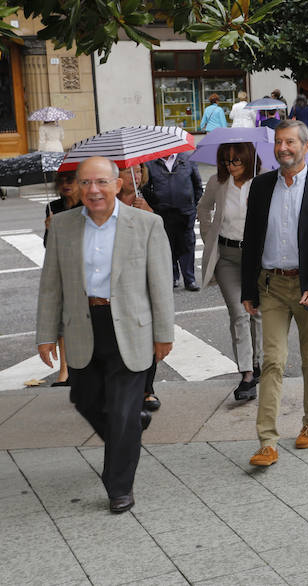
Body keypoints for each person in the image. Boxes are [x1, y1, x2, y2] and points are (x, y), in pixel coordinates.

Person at [36, 156, 174, 514]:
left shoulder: (146, 224)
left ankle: (119, 486)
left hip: (130, 327)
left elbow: (160, 284)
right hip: (83, 325)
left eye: (101, 182)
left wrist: (164, 333)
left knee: (123, 411)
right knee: (85, 399)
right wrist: (46, 334)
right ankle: (129, 430)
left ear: (117, 184)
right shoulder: (62, 225)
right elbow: (51, 285)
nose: (93, 190)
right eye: (85, 183)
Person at [240, 120, 308, 467]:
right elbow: (251, 240)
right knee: (273, 361)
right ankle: (267, 441)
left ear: (305, 146)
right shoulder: (261, 186)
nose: (283, 148)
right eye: (279, 142)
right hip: (271, 286)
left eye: (290, 142)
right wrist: (248, 288)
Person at [198, 143, 263, 402]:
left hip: (256, 257)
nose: (231, 166)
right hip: (226, 256)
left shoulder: (262, 181)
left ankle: (258, 362)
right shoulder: (218, 182)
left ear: (248, 159)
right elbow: (203, 208)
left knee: (256, 312)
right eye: (226, 161)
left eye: (236, 161)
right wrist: (208, 236)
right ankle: (247, 372)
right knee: (238, 312)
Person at [116, 164, 159, 415]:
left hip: (144, 275)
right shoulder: (106, 202)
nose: (136, 175)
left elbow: (163, 234)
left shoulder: (149, 196)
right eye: (128, 171)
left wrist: (149, 213)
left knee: (147, 332)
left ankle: (146, 389)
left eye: (139, 169)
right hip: (118, 279)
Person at [142, 152, 204, 291]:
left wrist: (193, 205)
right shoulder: (150, 162)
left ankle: (190, 279)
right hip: (163, 212)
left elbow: (197, 185)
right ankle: (172, 277)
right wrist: (155, 205)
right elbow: (146, 188)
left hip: (185, 212)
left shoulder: (187, 159)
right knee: (167, 245)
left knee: (187, 244)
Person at [42, 170, 81, 387]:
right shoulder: (53, 207)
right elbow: (48, 245)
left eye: (70, 179)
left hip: (82, 269)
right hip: (62, 269)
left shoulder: (87, 205)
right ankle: (64, 371)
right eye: (61, 180)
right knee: (63, 319)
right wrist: (50, 229)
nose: (65, 184)